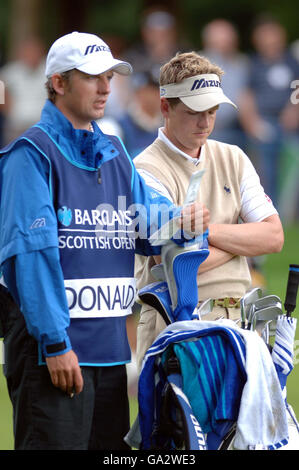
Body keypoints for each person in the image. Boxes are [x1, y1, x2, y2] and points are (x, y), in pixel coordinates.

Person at [0, 32, 208, 450]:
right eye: (93, 76)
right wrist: (56, 343)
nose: (106, 87)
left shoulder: (113, 150)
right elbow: (31, 258)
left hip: (111, 354)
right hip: (53, 354)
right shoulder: (30, 154)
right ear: (59, 83)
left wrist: (182, 222)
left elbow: (146, 221)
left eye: (110, 76)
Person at [134, 51, 284, 371]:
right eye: (194, 111)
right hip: (173, 328)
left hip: (238, 325)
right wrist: (240, 244)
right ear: (165, 107)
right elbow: (175, 264)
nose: (205, 122)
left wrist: (207, 233)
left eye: (212, 111)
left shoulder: (234, 156)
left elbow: (273, 236)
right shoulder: (144, 171)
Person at [238, 15, 299, 210]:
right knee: (266, 173)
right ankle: (271, 213)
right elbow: (247, 96)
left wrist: (294, 109)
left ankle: (290, 213)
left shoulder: (292, 61)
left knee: (291, 172)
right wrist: (253, 123)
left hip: (291, 125)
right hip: (264, 124)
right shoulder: (253, 64)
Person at [200, 19, 249, 151]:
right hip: (207, 127)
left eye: (228, 39)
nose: (224, 44)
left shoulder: (243, 63)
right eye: (219, 40)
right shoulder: (197, 65)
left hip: (239, 128)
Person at [0, 36, 47, 144]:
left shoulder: (49, 72)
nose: (31, 55)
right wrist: (7, 110)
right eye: (28, 51)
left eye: (34, 51)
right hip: (17, 127)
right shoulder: (12, 71)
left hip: (42, 127)